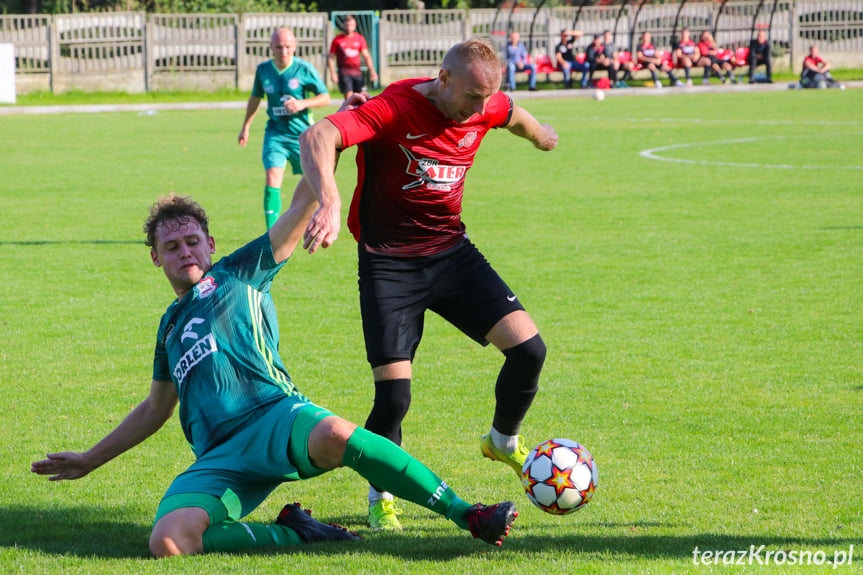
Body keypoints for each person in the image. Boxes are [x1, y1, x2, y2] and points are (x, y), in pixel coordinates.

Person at [31, 185, 519, 557]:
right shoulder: (168, 327)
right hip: (219, 458)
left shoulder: (240, 271)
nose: (185, 252)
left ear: (210, 243)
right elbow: (156, 407)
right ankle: (295, 532)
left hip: (275, 416)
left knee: (336, 433)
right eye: (173, 247)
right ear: (156, 258)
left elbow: (303, 200)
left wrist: (334, 136)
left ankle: (466, 514)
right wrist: (90, 459)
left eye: (193, 241)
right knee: (169, 541)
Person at [297, 38, 557, 532]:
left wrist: (541, 134)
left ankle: (501, 442)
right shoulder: (393, 108)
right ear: (443, 79)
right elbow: (318, 136)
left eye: (487, 100)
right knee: (393, 399)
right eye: (471, 98)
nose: (479, 110)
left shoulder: (486, 104)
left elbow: (513, 114)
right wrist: (329, 201)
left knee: (530, 350)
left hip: (452, 253)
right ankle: (381, 494)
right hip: (389, 266)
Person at [238, 28, 331, 230]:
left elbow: (325, 97)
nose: (284, 51)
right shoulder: (263, 70)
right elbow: (255, 98)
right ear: (271, 47)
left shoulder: (304, 69)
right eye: (279, 47)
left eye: (288, 47)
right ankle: (272, 232)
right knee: (272, 176)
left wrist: (302, 103)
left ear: (295, 47)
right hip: (275, 134)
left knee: (313, 181)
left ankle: (320, 221)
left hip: (302, 135)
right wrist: (246, 126)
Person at [328, 15, 379, 100]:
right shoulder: (337, 40)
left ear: (355, 26)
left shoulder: (359, 38)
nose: (349, 27)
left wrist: (372, 71)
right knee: (349, 98)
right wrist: (333, 73)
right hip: (344, 72)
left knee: (363, 97)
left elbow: (366, 56)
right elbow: (331, 57)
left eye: (351, 25)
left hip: (357, 72)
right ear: (343, 25)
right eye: (347, 25)